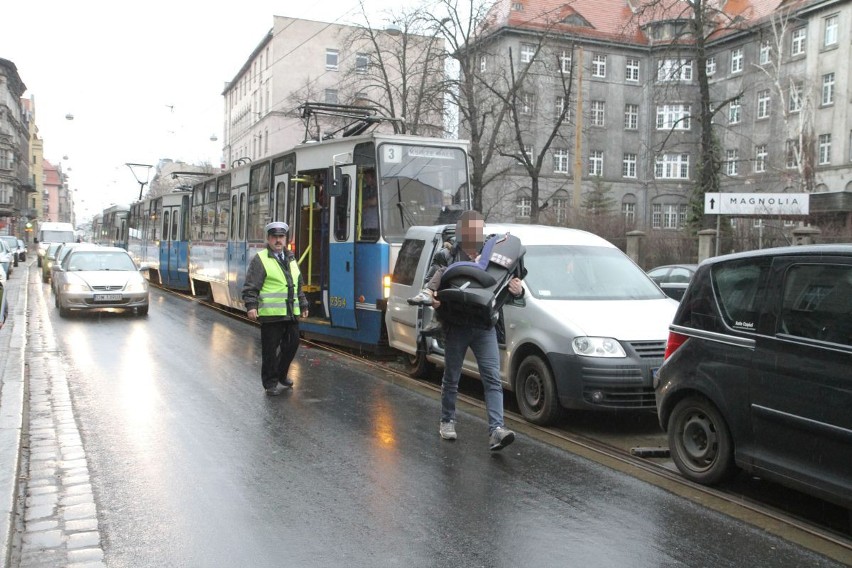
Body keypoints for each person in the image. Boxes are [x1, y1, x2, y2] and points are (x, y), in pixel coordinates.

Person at [414, 210, 525, 451]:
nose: (474, 233)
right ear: (461, 229)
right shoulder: (447, 254)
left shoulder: (494, 253)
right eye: (469, 228)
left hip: (485, 325)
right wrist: (434, 300)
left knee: (492, 378)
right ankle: (447, 421)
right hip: (456, 324)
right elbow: (430, 284)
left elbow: (511, 288)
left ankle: (496, 429)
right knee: (452, 377)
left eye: (478, 228)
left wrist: (518, 290)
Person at [241, 221, 309, 396]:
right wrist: (251, 305)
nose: (278, 240)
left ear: (285, 239)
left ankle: (281, 374)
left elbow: (297, 284)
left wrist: (303, 304)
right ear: (269, 239)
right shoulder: (261, 259)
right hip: (271, 313)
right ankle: (270, 383)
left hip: (290, 312)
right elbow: (251, 286)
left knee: (292, 344)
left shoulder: (291, 258)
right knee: (270, 350)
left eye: (281, 237)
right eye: (274, 237)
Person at [361, 169, 379, 236]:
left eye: (367, 177)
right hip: (364, 224)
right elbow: (359, 203)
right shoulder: (364, 190)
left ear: (374, 178)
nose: (365, 179)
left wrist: (365, 203)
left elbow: (374, 202)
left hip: (375, 226)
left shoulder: (380, 188)